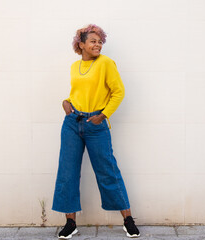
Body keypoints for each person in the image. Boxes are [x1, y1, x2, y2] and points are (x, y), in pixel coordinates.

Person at [52, 24, 140, 239]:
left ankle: (128, 220)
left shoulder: (106, 63)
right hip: (72, 122)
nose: (98, 44)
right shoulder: (74, 66)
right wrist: (66, 102)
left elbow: (118, 92)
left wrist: (103, 116)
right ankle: (70, 223)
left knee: (107, 170)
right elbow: (77, 93)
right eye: (93, 41)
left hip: (95, 124)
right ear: (80, 44)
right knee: (67, 172)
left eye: (100, 41)